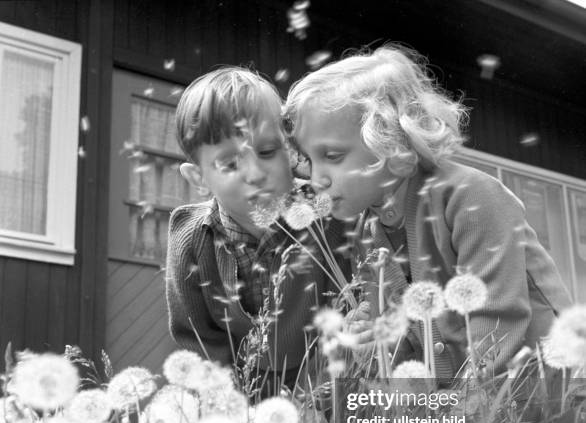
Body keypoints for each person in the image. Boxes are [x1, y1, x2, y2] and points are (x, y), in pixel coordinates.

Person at [284, 44, 573, 380]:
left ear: (389, 138)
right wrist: (376, 343)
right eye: (309, 160)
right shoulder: (369, 232)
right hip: (469, 403)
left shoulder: (470, 196)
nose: (316, 178)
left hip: (550, 389)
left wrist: (457, 418)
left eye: (332, 156)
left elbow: (496, 323)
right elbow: (411, 339)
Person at [166, 66, 348, 394]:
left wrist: (319, 396)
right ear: (198, 178)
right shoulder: (191, 240)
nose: (255, 173)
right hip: (244, 394)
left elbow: (354, 304)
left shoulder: (328, 211)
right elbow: (199, 340)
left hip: (330, 384)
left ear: (290, 148)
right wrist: (231, 410)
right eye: (230, 164)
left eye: (267, 152)